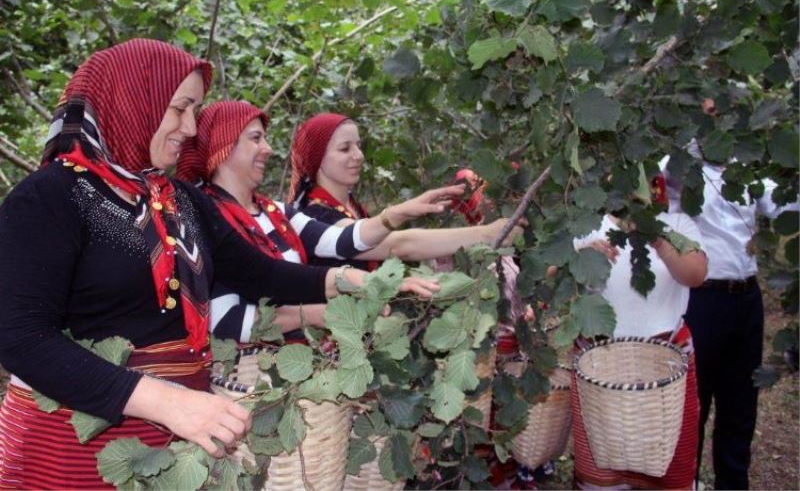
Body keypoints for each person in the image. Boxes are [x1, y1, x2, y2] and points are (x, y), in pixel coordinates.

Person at [0, 40, 437, 489]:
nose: (190, 128)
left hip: (179, 441)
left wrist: (356, 284)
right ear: (133, 100)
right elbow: (20, 337)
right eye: (180, 108)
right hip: (72, 447)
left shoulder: (181, 203)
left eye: (195, 110)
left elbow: (262, 276)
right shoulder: (50, 199)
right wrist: (166, 402)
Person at [175, 100, 467, 339]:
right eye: (255, 138)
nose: (268, 149)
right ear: (222, 145)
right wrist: (317, 313)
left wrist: (396, 214)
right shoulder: (207, 218)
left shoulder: (277, 212)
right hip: (251, 378)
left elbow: (341, 242)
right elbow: (225, 320)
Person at [661, 141, 799, 489]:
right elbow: (651, 192)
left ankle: (733, 482)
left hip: (746, 299)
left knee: (740, 402)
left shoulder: (745, 169)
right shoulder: (678, 167)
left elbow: (780, 203)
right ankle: (684, 482)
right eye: (710, 112)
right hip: (702, 301)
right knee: (694, 402)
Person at [569, 178, 708, 489]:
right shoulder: (586, 225)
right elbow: (550, 280)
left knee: (668, 467)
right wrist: (581, 259)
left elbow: (696, 274)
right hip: (600, 366)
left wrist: (659, 240)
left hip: (666, 366)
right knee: (601, 474)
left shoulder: (676, 223)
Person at [288, 113, 523, 271]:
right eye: (344, 148)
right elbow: (399, 245)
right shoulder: (316, 215)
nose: (358, 156)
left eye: (358, 146)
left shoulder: (349, 205)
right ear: (317, 158)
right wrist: (486, 234)